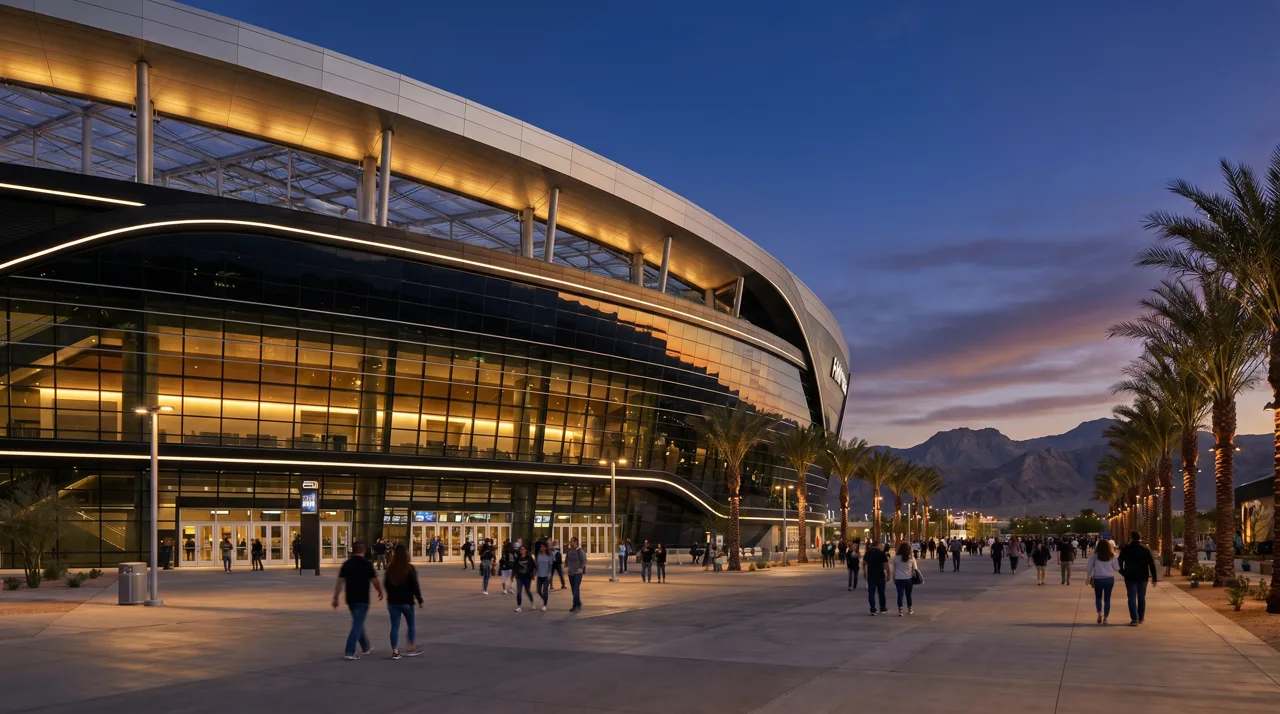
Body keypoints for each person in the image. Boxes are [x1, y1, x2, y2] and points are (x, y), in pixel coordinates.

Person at [332, 542, 384, 660]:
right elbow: (375, 580)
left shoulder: (347, 564)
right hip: (363, 598)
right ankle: (349, 651)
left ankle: (366, 647)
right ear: (364, 550)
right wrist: (380, 591)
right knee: (357, 624)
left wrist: (335, 597)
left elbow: (340, 582)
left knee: (358, 622)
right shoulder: (367, 564)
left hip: (351, 599)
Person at [383, 543, 423, 659]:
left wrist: (391, 594)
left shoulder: (390, 568)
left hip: (393, 602)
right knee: (411, 624)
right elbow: (414, 586)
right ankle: (411, 646)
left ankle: (395, 651)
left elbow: (386, 584)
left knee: (394, 626)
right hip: (406, 601)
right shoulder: (409, 568)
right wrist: (419, 599)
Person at [1118, 531, 1157, 626]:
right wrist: (1154, 578)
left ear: (1131, 538)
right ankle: (1141, 617)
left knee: (1131, 598)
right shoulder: (1145, 549)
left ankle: (1134, 619)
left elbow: (1119, 561)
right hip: (1143, 577)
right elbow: (1152, 564)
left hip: (1130, 577)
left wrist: (1123, 572)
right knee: (1142, 597)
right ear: (1140, 538)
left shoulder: (1126, 549)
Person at [1086, 539, 1118, 624]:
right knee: (1107, 599)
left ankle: (1099, 612)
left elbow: (1089, 566)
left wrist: (1087, 578)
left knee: (1098, 597)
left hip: (1098, 578)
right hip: (1109, 579)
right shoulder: (1112, 555)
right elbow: (1116, 568)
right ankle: (1106, 618)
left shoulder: (1095, 554)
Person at [891, 542, 918, 616]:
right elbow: (915, 569)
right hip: (908, 579)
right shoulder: (911, 558)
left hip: (899, 579)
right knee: (908, 595)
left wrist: (894, 577)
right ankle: (910, 609)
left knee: (900, 595)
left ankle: (900, 610)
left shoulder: (896, 558)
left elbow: (894, 569)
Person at [863, 541, 889, 615]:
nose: (881, 547)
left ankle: (872, 609)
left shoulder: (868, 553)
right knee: (881, 593)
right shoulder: (882, 553)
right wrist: (888, 574)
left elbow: (864, 563)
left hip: (871, 576)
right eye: (881, 545)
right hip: (880, 575)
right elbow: (886, 565)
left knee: (871, 593)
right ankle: (883, 608)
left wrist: (865, 572)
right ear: (878, 545)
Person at [512, 545, 536, 612]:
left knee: (527, 591)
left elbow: (534, 567)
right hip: (519, 577)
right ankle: (519, 606)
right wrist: (512, 576)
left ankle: (532, 602)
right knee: (519, 592)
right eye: (521, 549)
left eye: (523, 549)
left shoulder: (529, 558)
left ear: (526, 550)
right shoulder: (518, 558)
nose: (522, 550)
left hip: (527, 577)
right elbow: (514, 568)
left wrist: (533, 576)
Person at [565, 536, 587, 611]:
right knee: (574, 589)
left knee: (575, 588)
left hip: (577, 573)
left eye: (571, 541)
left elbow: (584, 560)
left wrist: (581, 568)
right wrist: (566, 565)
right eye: (570, 541)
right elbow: (566, 559)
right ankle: (578, 603)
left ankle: (575, 605)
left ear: (575, 542)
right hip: (570, 572)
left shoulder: (580, 551)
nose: (570, 543)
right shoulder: (569, 551)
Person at [534, 542, 554, 611]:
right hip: (539, 575)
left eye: (543, 546)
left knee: (545, 591)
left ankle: (544, 605)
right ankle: (545, 599)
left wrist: (549, 575)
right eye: (540, 547)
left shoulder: (549, 556)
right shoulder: (538, 556)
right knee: (538, 591)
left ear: (545, 547)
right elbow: (536, 566)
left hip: (546, 576)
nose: (541, 548)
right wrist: (533, 575)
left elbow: (550, 566)